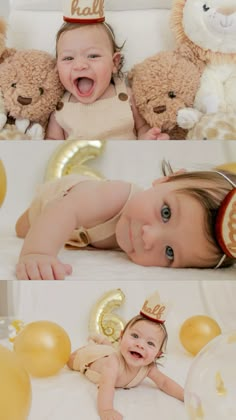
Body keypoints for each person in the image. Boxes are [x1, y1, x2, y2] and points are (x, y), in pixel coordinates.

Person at [15, 162, 236, 280]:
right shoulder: (115, 195)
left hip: (77, 230)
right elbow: (63, 211)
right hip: (57, 200)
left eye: (169, 252)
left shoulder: (136, 235)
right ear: (166, 180)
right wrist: (38, 253)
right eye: (166, 213)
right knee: (22, 229)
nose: (149, 237)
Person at [67, 292, 184, 420]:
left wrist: (185, 396)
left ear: (157, 354)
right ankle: (99, 342)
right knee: (71, 360)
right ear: (121, 336)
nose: (140, 345)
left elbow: (164, 382)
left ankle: (103, 341)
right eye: (135, 336)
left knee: (110, 348)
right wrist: (106, 410)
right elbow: (106, 386)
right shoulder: (113, 362)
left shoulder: (148, 366)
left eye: (150, 343)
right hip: (94, 358)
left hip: (110, 350)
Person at [45, 20, 169, 140]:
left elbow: (142, 128)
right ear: (57, 67)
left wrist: (148, 138)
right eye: (68, 58)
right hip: (80, 161)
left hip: (125, 160)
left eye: (93, 56)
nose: (80, 65)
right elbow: (51, 145)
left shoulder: (128, 96)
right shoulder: (60, 109)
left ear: (115, 63)